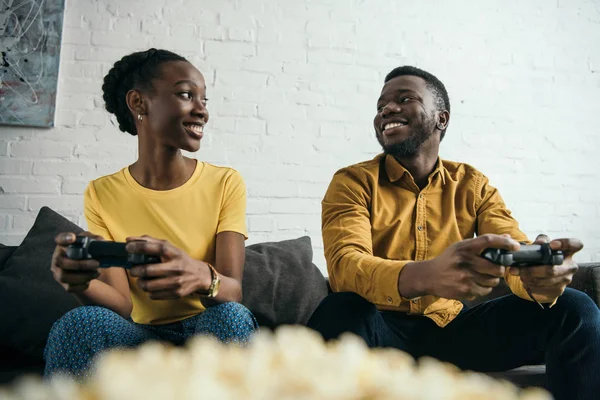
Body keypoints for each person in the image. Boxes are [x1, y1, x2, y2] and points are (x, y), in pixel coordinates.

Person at [307, 66, 600, 400]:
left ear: (441, 119)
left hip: (455, 331)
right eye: (380, 106)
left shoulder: (472, 185)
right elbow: (346, 267)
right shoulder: (353, 182)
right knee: (341, 308)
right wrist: (427, 275)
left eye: (404, 99)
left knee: (574, 307)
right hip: (379, 332)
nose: (386, 110)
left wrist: (536, 276)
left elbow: (511, 244)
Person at [45, 49, 258, 380]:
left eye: (204, 99)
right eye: (187, 95)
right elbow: (122, 305)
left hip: (206, 332)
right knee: (79, 322)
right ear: (138, 103)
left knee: (232, 317)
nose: (201, 110)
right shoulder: (101, 192)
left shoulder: (225, 182)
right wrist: (79, 282)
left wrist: (199, 274)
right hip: (140, 339)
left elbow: (234, 292)